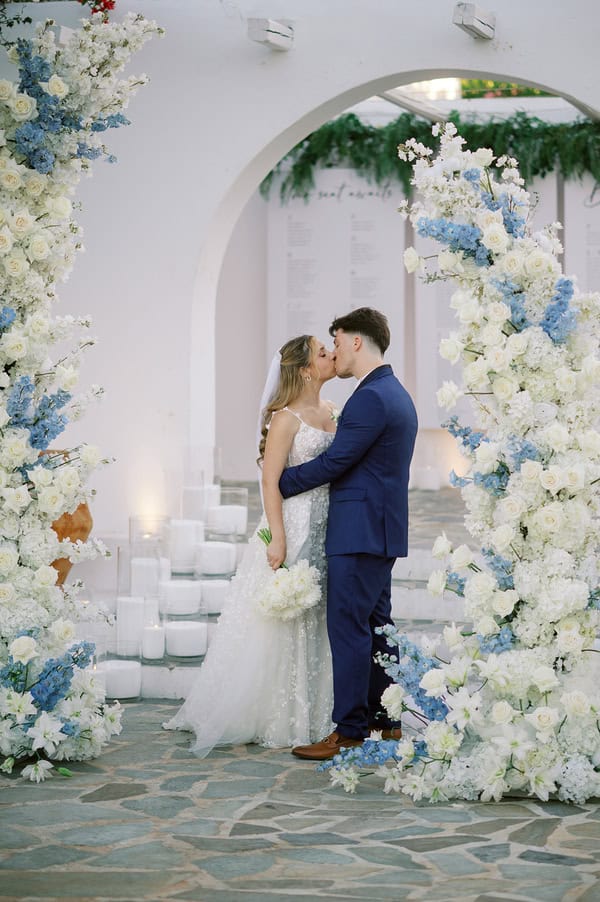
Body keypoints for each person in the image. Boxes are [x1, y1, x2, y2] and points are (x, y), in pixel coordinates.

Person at [163, 335, 337, 755]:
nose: (331, 356)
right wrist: (277, 536)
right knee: (284, 612)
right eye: (322, 352)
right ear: (304, 369)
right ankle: (277, 713)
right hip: (293, 524)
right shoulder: (286, 417)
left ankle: (318, 711)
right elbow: (269, 480)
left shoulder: (334, 411)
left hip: (327, 523)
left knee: (318, 610)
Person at [279, 307, 418, 761]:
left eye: (336, 341)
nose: (333, 350)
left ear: (356, 341)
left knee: (349, 629)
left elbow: (338, 460)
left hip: (358, 532)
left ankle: (350, 729)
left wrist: (284, 481)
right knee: (378, 626)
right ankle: (386, 719)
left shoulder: (371, 397)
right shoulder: (390, 391)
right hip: (379, 529)